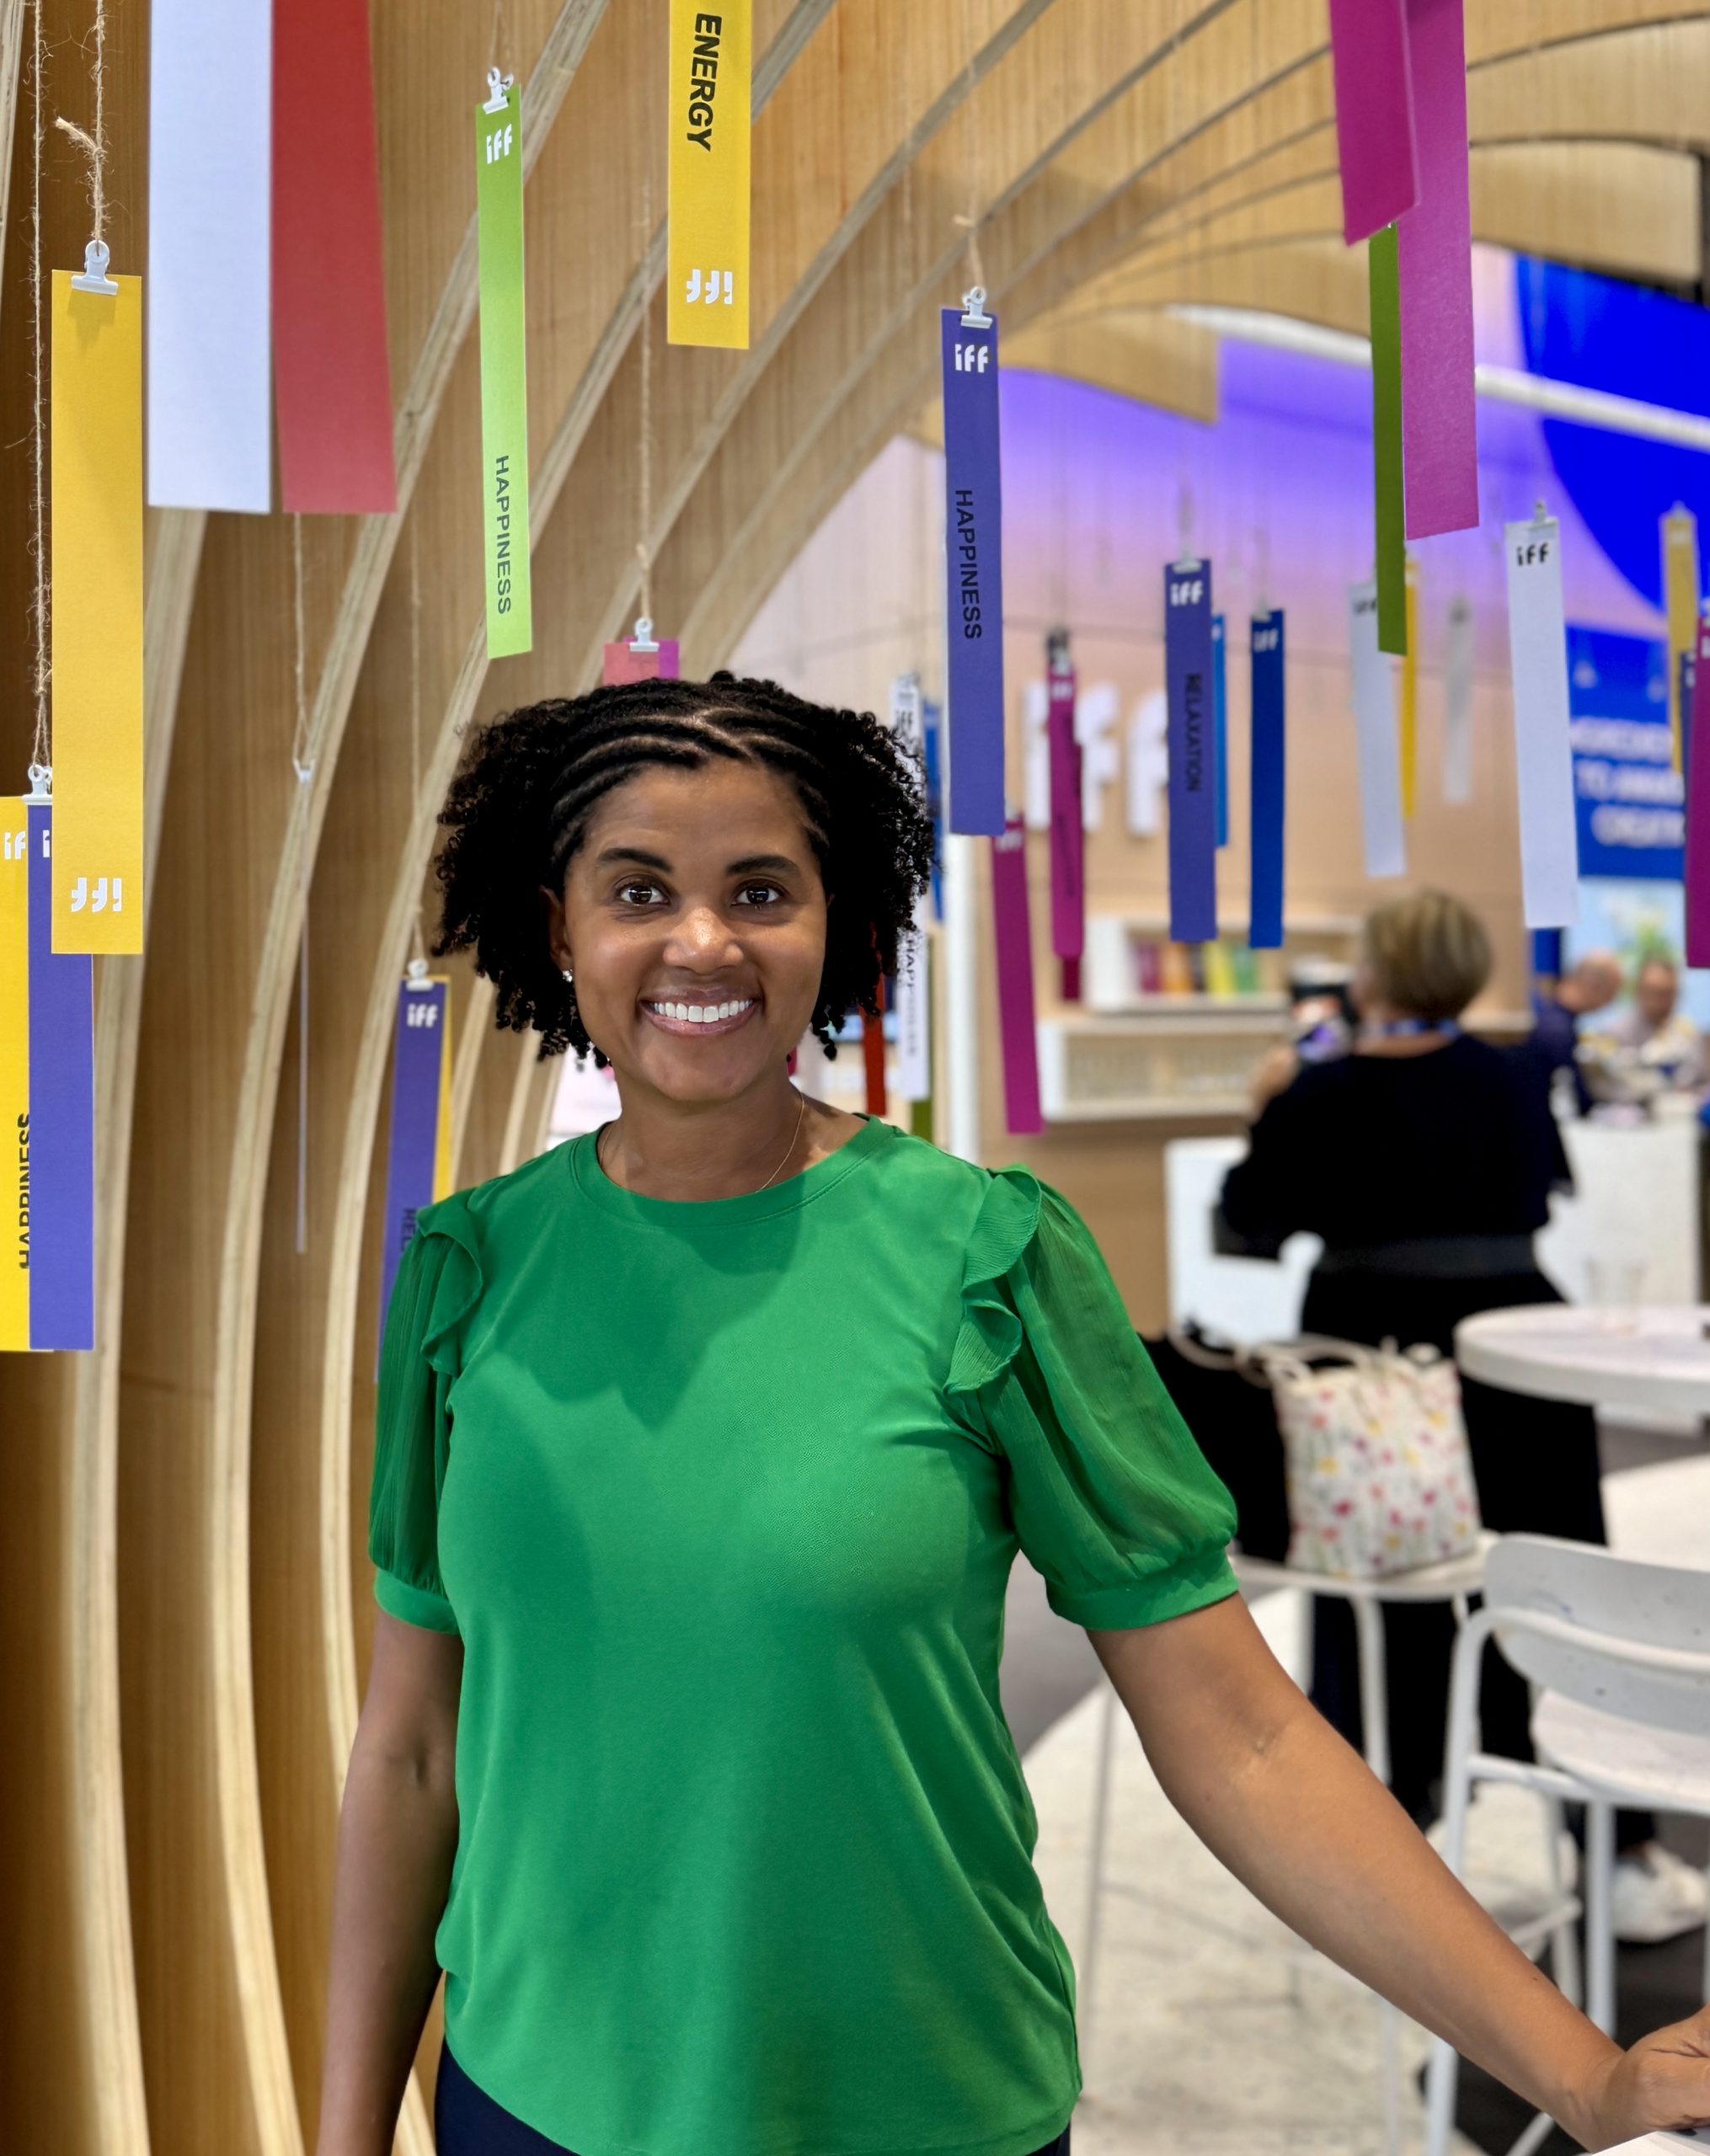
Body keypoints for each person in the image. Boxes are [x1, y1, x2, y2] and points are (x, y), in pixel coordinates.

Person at [318, 698, 1710, 2156]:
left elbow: (1241, 1736)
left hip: (918, 2108)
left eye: (762, 890)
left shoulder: (983, 1255)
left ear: (840, 924)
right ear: (560, 928)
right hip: (529, 2100)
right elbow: (412, 1747)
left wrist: (1580, 2076)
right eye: (639, 890)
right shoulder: (471, 1270)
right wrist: (345, 2135)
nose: (704, 943)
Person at [1218, 891, 1707, 1947]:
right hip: (1512, 1348)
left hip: (1363, 1359)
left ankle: (1375, 1851)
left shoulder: (1317, 1091)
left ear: (1373, 969)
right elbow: (1540, 1196)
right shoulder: (1513, 1077)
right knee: (1553, 1579)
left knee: (1372, 1589)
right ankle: (1613, 1844)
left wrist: (1266, 1109)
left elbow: (1247, 1225)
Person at [1521, 947, 1622, 1114]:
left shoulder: (1557, 1021)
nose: (1611, 1002)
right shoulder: (1558, 1031)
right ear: (1593, 986)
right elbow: (1577, 1099)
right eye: (1612, 993)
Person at [1590, 956, 1706, 1098]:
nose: (1665, 1001)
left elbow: (1699, 1081)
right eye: (1658, 993)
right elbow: (1607, 1089)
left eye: (1671, 993)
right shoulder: (1614, 1034)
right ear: (1639, 991)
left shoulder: (1688, 1033)